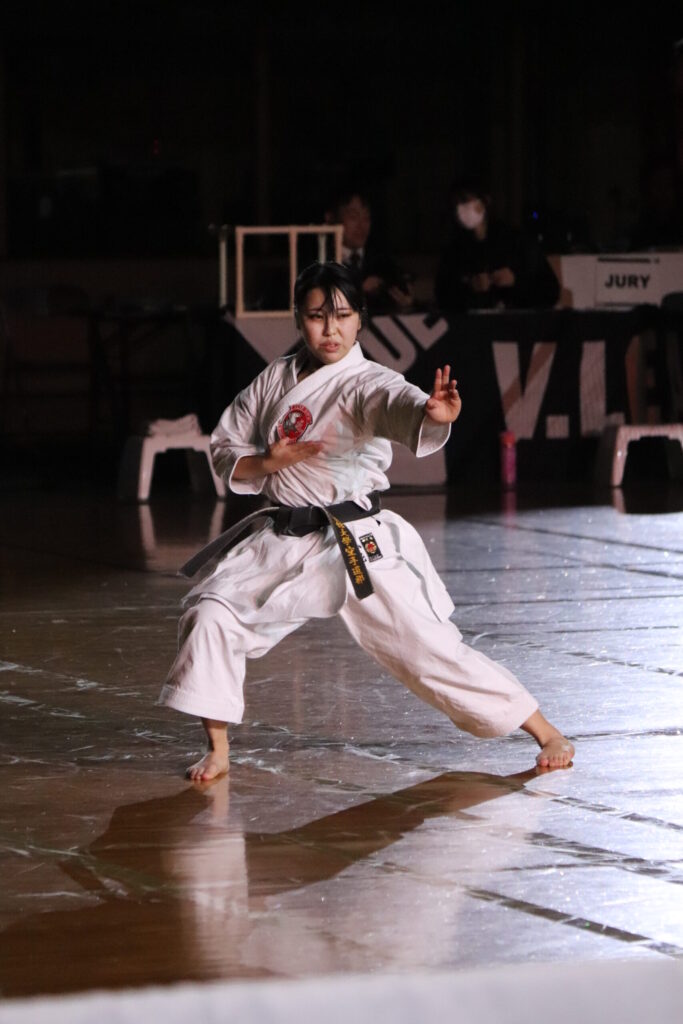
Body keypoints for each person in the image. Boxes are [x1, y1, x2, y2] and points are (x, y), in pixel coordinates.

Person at [159, 261, 574, 781]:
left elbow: (397, 403)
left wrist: (430, 414)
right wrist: (267, 463)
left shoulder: (367, 382)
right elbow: (226, 446)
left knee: (425, 647)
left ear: (360, 318)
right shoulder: (275, 379)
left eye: (342, 316)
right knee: (212, 615)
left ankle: (544, 730)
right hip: (283, 537)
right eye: (316, 316)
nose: (329, 330)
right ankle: (218, 750)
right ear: (298, 318)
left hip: (353, 539)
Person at [435, 179, 560, 312]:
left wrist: (515, 280)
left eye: (465, 200)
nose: (461, 209)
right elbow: (442, 297)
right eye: (456, 204)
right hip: (474, 323)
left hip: (515, 321)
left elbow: (550, 292)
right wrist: (470, 287)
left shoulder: (516, 241)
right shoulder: (454, 250)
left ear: (485, 201)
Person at [326, 189, 414, 313]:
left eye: (366, 218)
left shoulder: (382, 260)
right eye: (353, 217)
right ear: (331, 219)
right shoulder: (323, 260)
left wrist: (405, 301)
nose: (361, 225)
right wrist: (359, 291)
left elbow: (401, 288)